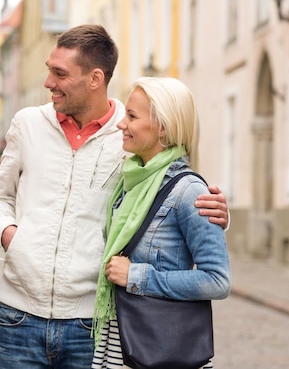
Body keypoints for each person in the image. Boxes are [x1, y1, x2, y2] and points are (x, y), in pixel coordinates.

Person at [0, 24, 229, 368]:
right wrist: (12, 237)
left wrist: (212, 211)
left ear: (95, 78)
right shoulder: (28, 124)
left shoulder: (130, 136)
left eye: (59, 73)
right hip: (18, 316)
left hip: (91, 322)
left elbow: (166, 188)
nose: (48, 82)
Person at [91, 77, 231, 368]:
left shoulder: (189, 191)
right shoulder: (129, 181)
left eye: (132, 116)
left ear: (163, 127)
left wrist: (138, 277)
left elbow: (217, 281)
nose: (121, 124)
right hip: (121, 341)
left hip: (160, 347)